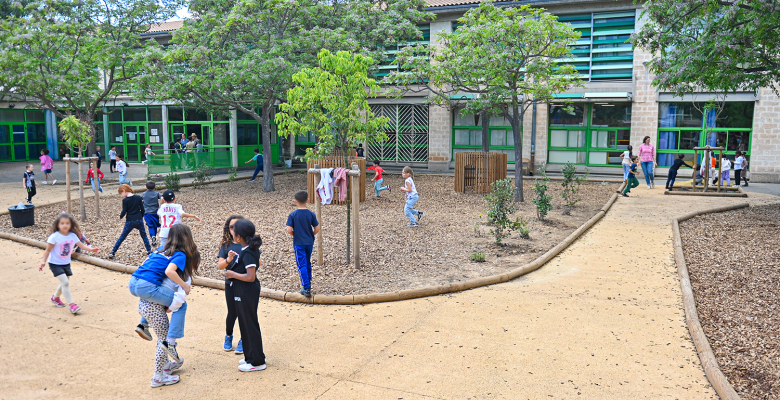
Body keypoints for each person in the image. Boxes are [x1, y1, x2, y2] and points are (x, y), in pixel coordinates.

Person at [128, 224, 199, 388]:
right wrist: (185, 285)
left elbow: (146, 263)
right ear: (187, 239)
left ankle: (143, 324)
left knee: (163, 305)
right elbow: (169, 272)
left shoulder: (160, 249)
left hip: (134, 283)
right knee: (165, 338)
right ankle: (159, 376)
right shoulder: (180, 255)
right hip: (148, 288)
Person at [225, 219, 267, 372]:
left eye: (233, 231)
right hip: (242, 290)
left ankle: (257, 361)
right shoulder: (247, 249)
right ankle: (251, 356)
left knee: (249, 324)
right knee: (245, 323)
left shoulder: (248, 252)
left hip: (247, 291)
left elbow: (250, 276)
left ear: (238, 237)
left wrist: (232, 274)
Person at [38, 213, 99, 315]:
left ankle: (55, 298)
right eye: (62, 223)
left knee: (64, 282)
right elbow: (47, 250)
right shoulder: (54, 237)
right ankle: (72, 305)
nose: (65, 225)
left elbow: (82, 246)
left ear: (71, 224)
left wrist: (91, 249)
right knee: (65, 282)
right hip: (55, 263)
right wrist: (43, 261)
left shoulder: (73, 236)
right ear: (58, 225)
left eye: (67, 223)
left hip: (66, 263)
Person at [217, 215, 245, 354]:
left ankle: (244, 339)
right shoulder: (226, 245)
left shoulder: (247, 244)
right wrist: (228, 259)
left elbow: (258, 263)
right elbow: (220, 266)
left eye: (237, 226)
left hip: (245, 284)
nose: (234, 229)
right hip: (231, 284)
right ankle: (228, 336)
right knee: (232, 312)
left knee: (244, 313)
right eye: (231, 227)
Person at [286, 190, 320, 298]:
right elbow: (317, 228)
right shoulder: (311, 214)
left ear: (295, 201)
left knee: (302, 264)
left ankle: (306, 287)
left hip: (299, 242)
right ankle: (308, 281)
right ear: (308, 200)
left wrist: (295, 235)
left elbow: (289, 229)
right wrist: (311, 235)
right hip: (309, 242)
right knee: (307, 261)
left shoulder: (293, 215)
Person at [109, 184, 152, 259]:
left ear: (124, 191)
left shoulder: (125, 200)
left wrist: (120, 216)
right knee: (144, 235)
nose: (122, 195)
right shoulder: (138, 197)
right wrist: (141, 216)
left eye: (121, 193)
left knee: (122, 236)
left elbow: (124, 210)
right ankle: (149, 251)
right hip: (139, 220)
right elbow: (142, 209)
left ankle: (113, 252)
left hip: (130, 221)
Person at [142, 181, 162, 247]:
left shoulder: (143, 194)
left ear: (146, 187)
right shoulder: (156, 194)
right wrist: (161, 205)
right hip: (155, 212)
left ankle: (152, 236)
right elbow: (162, 197)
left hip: (147, 212)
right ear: (155, 187)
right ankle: (154, 236)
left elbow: (140, 200)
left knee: (150, 225)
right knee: (155, 225)